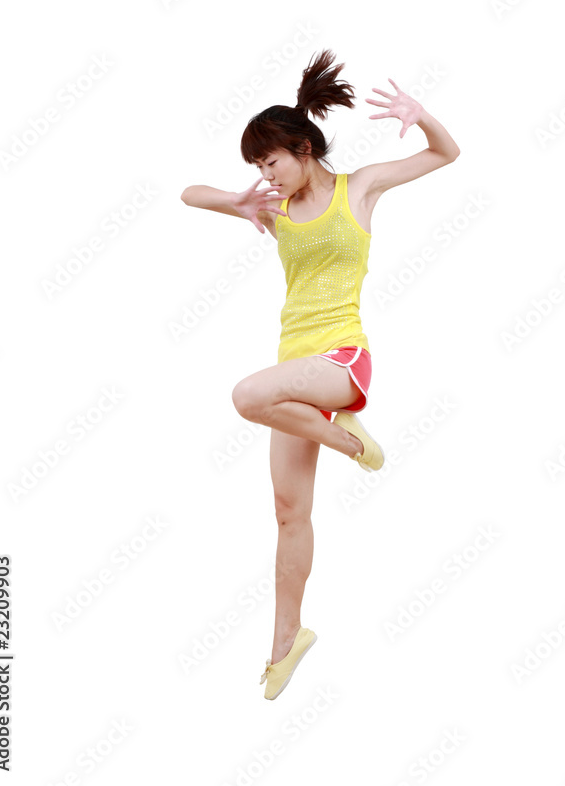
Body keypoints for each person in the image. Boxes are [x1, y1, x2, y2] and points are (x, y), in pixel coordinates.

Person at [180, 48, 460, 699]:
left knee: (244, 395)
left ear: (303, 148)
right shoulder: (270, 207)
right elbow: (188, 194)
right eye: (255, 167)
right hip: (293, 376)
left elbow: (445, 155)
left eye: (269, 161)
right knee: (287, 511)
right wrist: (237, 200)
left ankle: (350, 439)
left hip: (339, 363)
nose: (264, 175)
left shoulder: (357, 187)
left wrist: (422, 116)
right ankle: (285, 642)